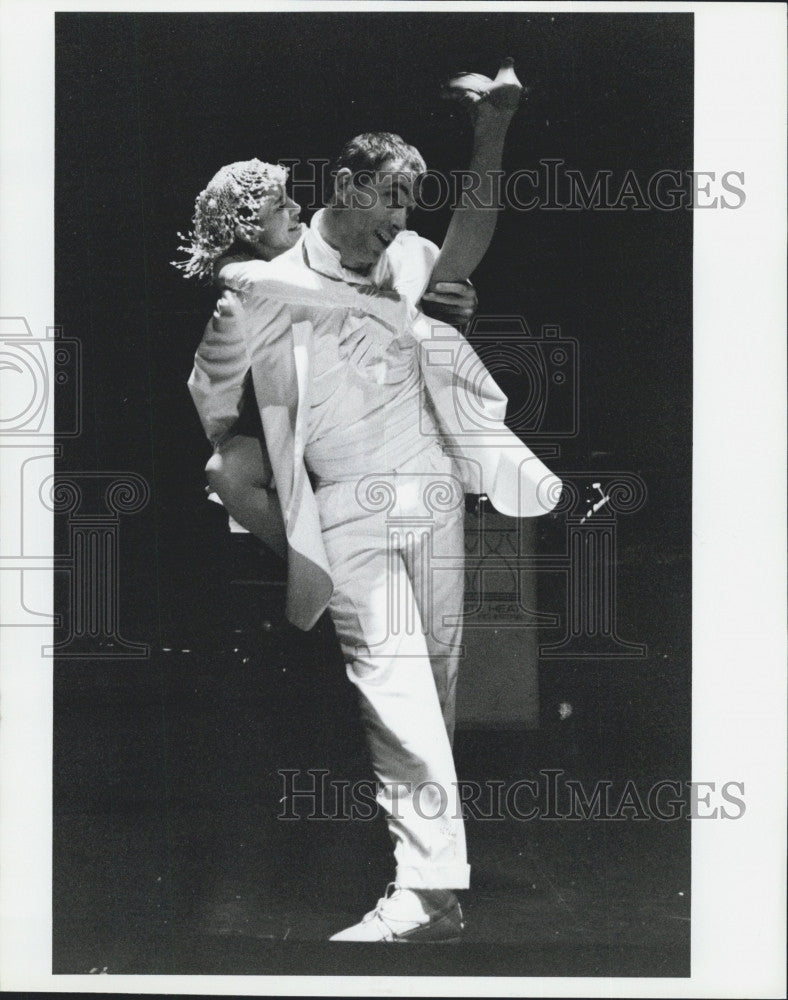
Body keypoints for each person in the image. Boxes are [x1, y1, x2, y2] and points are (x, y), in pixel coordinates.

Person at [177, 60, 562, 942]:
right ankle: (421, 894)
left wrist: (493, 133)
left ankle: (441, 893)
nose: (400, 217)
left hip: (432, 496)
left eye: (409, 203)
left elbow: (469, 239)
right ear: (344, 187)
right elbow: (215, 410)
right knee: (394, 689)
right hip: (347, 510)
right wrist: (259, 486)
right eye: (389, 198)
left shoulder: (411, 259)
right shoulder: (257, 288)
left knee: (435, 691)